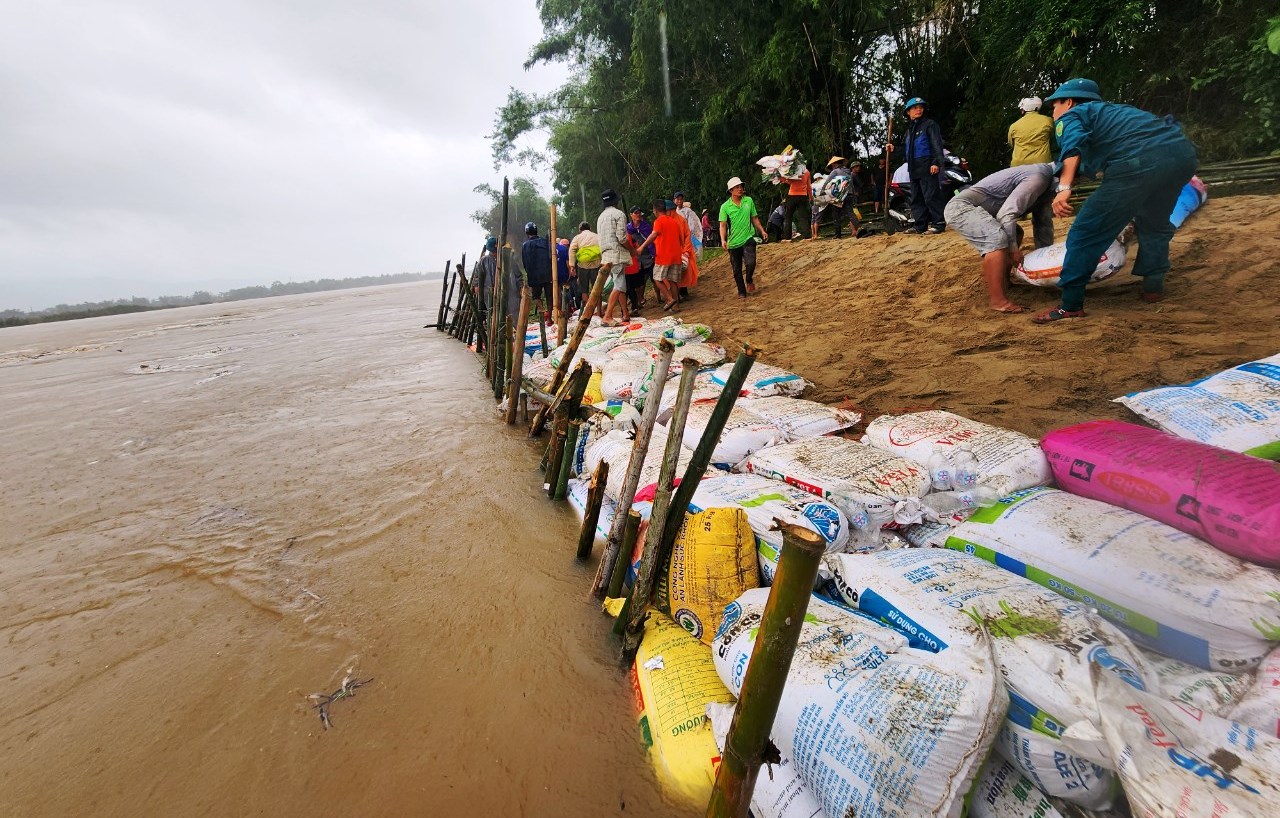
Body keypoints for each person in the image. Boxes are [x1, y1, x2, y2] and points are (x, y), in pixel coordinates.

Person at [1032, 78, 1198, 323]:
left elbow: (1073, 148)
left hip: (1138, 162)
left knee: (1086, 231)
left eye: (1054, 105)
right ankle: (1153, 288)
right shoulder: (1116, 113)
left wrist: (1064, 188)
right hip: (1182, 156)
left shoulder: (1072, 115)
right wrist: (1071, 177)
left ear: (1068, 102)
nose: (1053, 113)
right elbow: (1086, 160)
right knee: (1154, 222)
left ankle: (1071, 306)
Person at [944, 163, 1056, 314]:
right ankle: (998, 301)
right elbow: (1006, 214)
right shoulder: (1039, 176)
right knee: (997, 240)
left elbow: (1043, 222)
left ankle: (1004, 282)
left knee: (1015, 233)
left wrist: (1045, 260)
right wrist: (1013, 250)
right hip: (961, 208)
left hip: (984, 210)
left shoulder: (1048, 184)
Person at [887, 97, 947, 233]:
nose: (918, 109)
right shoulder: (909, 131)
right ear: (908, 112)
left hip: (927, 165)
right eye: (915, 107)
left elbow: (937, 144)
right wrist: (894, 149)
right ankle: (920, 226)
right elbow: (906, 151)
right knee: (916, 198)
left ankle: (938, 223)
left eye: (920, 107)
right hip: (913, 168)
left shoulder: (929, 125)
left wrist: (936, 162)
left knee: (931, 195)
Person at [633, 199, 689, 311]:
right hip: (676, 255)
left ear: (655, 210)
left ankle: (669, 299)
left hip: (664, 256)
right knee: (673, 281)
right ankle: (676, 306)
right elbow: (680, 238)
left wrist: (642, 247)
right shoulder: (674, 221)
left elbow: (654, 235)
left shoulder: (658, 221)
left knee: (657, 278)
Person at [718, 176, 768, 297]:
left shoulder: (748, 201)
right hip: (733, 242)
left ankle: (749, 279)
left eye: (741, 186)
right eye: (737, 187)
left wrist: (762, 230)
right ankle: (741, 291)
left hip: (748, 238)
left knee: (751, 262)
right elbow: (723, 225)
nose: (740, 189)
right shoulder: (725, 207)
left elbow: (754, 218)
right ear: (731, 190)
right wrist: (723, 239)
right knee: (737, 270)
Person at [597, 188, 634, 326]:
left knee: (620, 283)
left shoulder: (601, 217)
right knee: (619, 285)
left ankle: (625, 313)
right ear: (615, 200)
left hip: (606, 255)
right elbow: (622, 238)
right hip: (617, 253)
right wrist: (632, 250)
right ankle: (607, 316)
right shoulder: (619, 214)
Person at [817, 156, 861, 240]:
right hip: (849, 194)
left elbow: (827, 182)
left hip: (839, 196)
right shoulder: (849, 172)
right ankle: (860, 228)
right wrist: (853, 194)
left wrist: (822, 191)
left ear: (834, 164)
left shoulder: (835, 171)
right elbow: (851, 184)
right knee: (850, 213)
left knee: (836, 214)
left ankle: (838, 235)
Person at [520, 221, 554, 322]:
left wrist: (529, 272)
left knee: (536, 296)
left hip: (534, 275)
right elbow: (551, 257)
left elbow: (524, 262)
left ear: (527, 232)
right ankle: (550, 317)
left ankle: (542, 312)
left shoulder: (525, 245)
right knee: (549, 296)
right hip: (548, 274)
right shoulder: (545, 242)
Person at [568, 221, 602, 314]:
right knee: (597, 289)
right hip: (596, 264)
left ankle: (588, 313)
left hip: (583, 265)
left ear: (580, 230)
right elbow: (603, 248)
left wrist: (571, 265)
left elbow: (572, 250)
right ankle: (599, 312)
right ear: (590, 228)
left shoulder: (577, 238)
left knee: (584, 290)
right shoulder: (597, 236)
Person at [1008, 97, 1054, 166]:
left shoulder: (1014, 126)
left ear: (1024, 109)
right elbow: (1054, 138)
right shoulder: (1048, 121)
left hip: (1018, 166)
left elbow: (1011, 144)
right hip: (1042, 164)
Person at [625, 206, 655, 312]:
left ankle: (660, 298)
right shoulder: (628, 228)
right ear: (631, 215)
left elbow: (651, 239)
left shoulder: (646, 226)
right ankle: (639, 300)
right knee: (639, 282)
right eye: (635, 213)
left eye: (639, 213)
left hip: (648, 255)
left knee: (654, 278)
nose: (638, 215)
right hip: (636, 259)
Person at [781, 158, 812, 241]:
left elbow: (791, 182)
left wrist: (784, 180)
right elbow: (809, 186)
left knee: (788, 217)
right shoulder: (807, 172)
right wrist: (811, 197)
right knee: (803, 217)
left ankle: (787, 238)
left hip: (793, 195)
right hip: (803, 196)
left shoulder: (794, 170)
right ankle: (807, 237)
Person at [471, 235, 498, 324]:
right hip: (487, 290)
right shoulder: (484, 260)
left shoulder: (501, 259)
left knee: (499, 309)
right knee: (489, 310)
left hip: (499, 290)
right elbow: (477, 275)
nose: (495, 253)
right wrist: (476, 285)